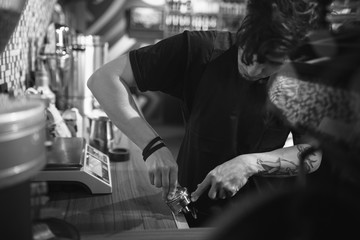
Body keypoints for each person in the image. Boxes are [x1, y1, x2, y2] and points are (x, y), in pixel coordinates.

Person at [87, 0, 323, 227]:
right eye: (248, 54)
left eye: (271, 64)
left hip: (260, 218)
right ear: (244, 26)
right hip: (193, 210)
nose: (254, 69)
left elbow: (312, 155)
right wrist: (153, 147)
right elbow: (104, 79)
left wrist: (250, 163)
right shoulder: (200, 49)